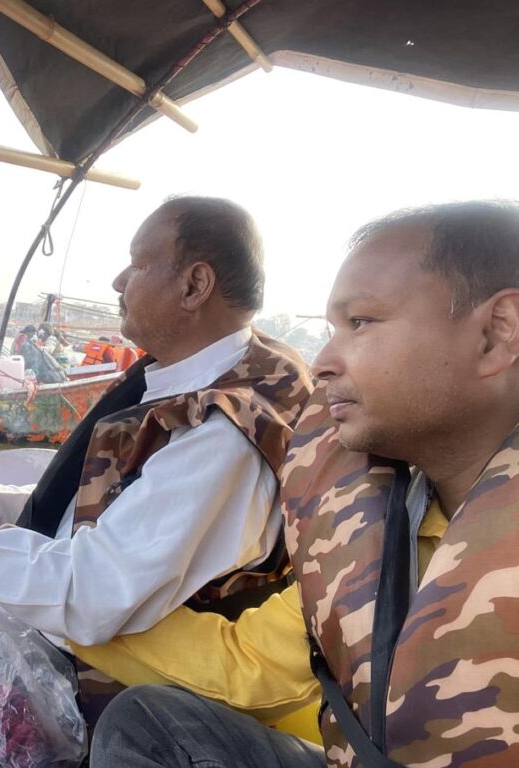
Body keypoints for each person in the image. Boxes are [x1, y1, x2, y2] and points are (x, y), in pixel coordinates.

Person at [0, 196, 313, 722]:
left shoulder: (222, 436)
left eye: (138, 263)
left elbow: (88, 593)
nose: (117, 281)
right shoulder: (199, 375)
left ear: (194, 285)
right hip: (65, 618)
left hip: (92, 688)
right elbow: (102, 512)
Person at [90, 201, 519, 767]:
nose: (321, 364)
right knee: (148, 722)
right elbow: (254, 667)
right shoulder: (396, 518)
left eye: (361, 322)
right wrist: (63, 607)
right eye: (331, 330)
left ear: (495, 334)